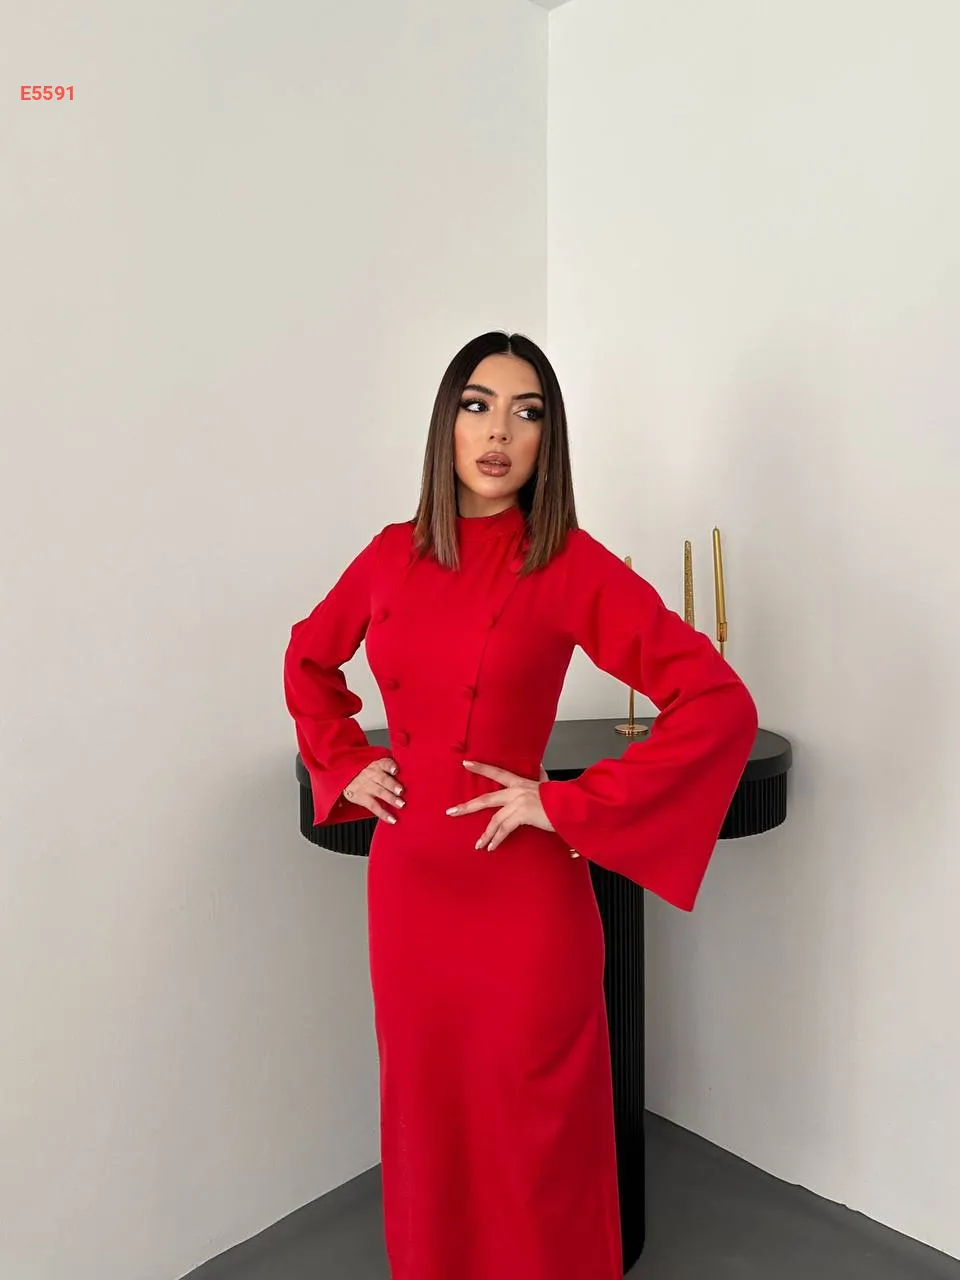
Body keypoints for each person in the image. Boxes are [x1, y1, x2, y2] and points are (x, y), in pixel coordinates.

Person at [283, 331, 758, 1280]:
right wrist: (343, 759)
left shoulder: (568, 564)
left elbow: (718, 703)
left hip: (525, 906)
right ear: (447, 424)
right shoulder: (387, 557)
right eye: (478, 405)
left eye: (526, 412)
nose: (499, 431)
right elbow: (308, 657)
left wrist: (570, 804)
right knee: (429, 1130)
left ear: (549, 439)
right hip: (411, 899)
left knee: (538, 1144)